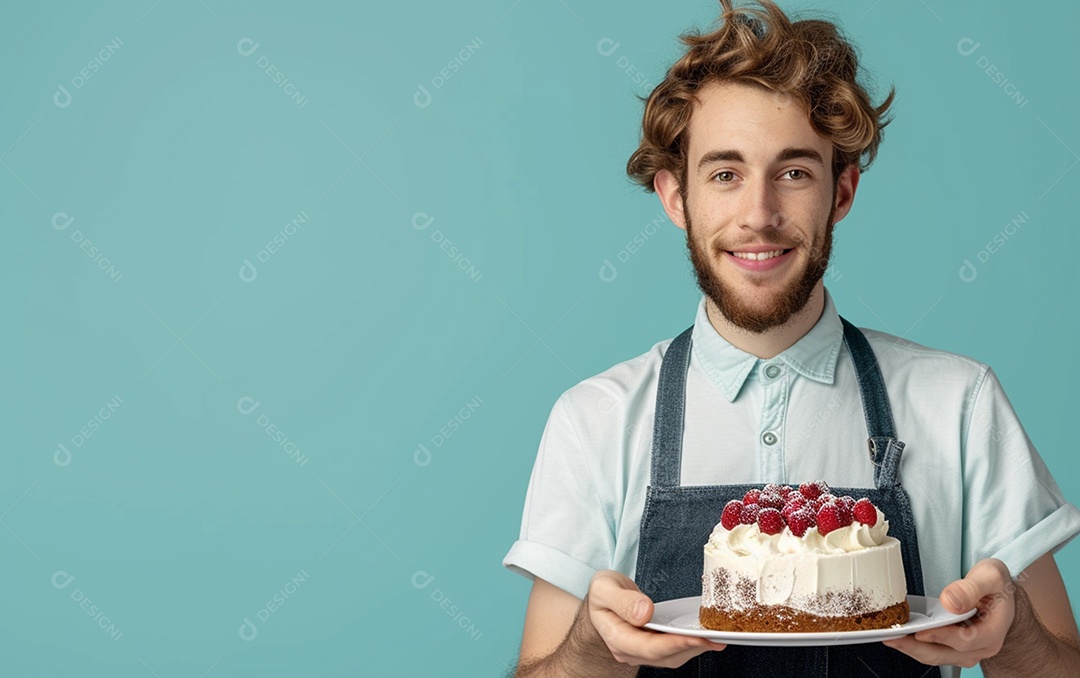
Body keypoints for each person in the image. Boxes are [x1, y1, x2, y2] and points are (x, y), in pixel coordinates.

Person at [501, 1, 1080, 676]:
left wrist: (1013, 634)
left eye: (794, 173)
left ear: (842, 192)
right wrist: (593, 646)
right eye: (725, 174)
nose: (760, 214)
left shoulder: (961, 404)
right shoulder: (594, 421)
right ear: (676, 197)